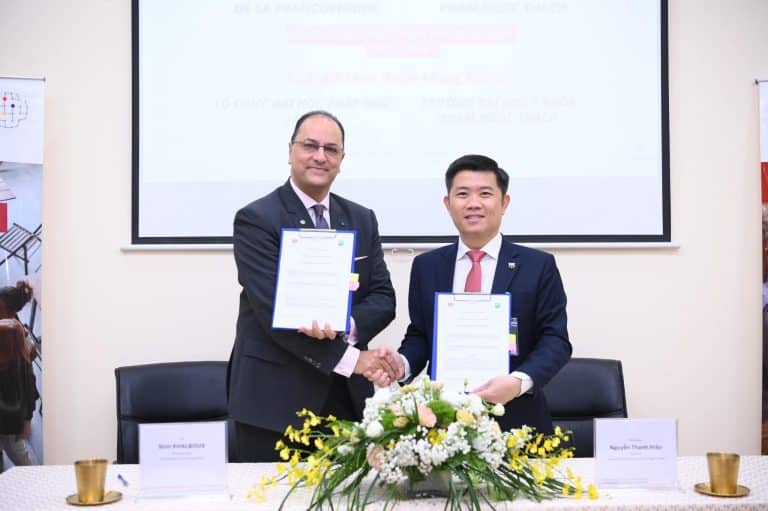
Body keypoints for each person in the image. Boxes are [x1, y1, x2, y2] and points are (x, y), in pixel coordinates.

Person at [227, 111, 397, 462]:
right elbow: (272, 309)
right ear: (290, 151)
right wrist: (353, 360)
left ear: (341, 159)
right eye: (310, 146)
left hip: (344, 401)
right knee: (268, 491)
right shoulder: (257, 219)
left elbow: (383, 297)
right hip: (273, 404)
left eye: (331, 149)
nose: (320, 156)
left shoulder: (362, 218)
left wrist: (345, 325)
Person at [372, 154, 571, 433]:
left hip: (518, 421)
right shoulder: (427, 266)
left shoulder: (538, 266)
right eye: (463, 194)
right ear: (448, 203)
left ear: (504, 203)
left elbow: (555, 340)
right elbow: (421, 334)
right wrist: (401, 364)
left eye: (485, 194)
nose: (473, 203)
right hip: (442, 424)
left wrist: (517, 382)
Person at [0, 318, 38, 469]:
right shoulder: (23, 364)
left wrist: (27, 422)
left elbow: (30, 397)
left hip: (10, 425)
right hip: (11, 422)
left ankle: (33, 478)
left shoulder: (21, 369)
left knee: (20, 457)